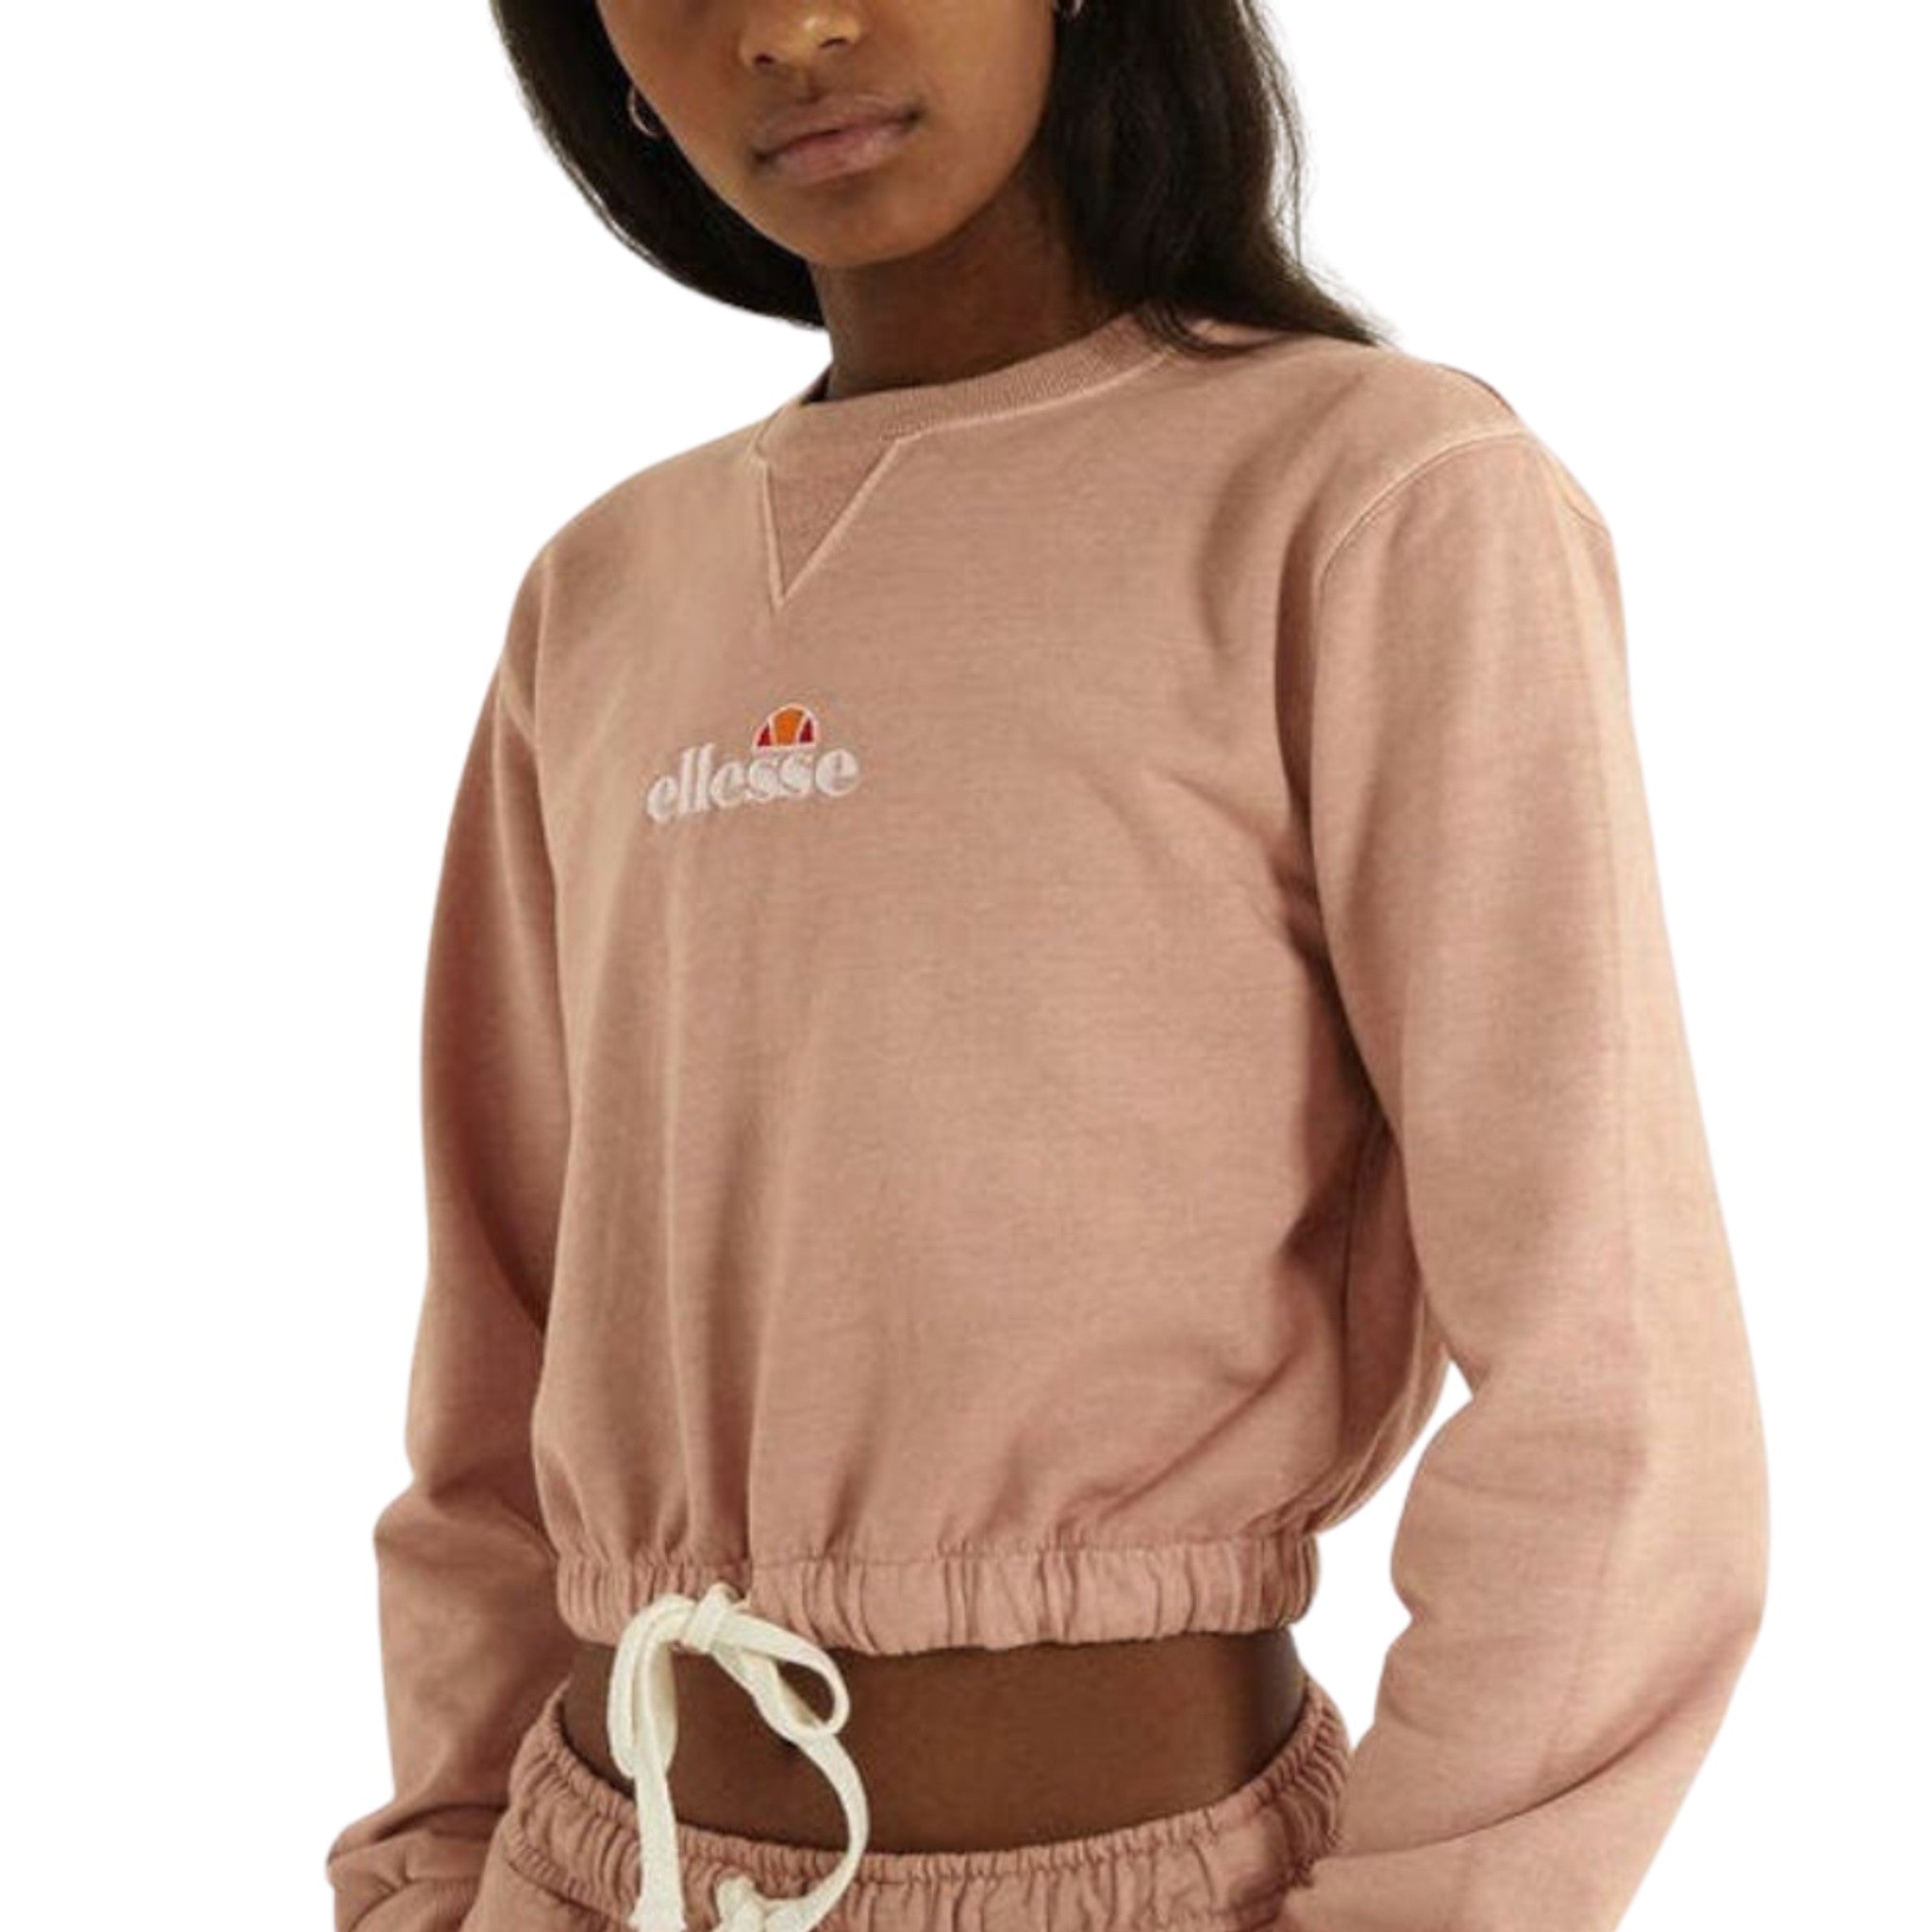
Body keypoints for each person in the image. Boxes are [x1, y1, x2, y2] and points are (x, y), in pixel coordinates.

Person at [324, 4, 1771, 1931]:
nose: (788, 29)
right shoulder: (602, 591)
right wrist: (432, 1870)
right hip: (582, 1871)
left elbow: (1613, 1380)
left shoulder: (1374, 492)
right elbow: (494, 1355)